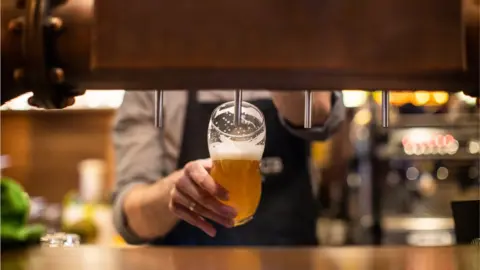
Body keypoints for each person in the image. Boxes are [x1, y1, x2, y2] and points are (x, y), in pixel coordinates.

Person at [112, 90, 345, 246]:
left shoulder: (287, 45)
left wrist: (278, 49)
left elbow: (320, 115)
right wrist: (173, 193)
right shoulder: (155, 74)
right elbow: (131, 219)